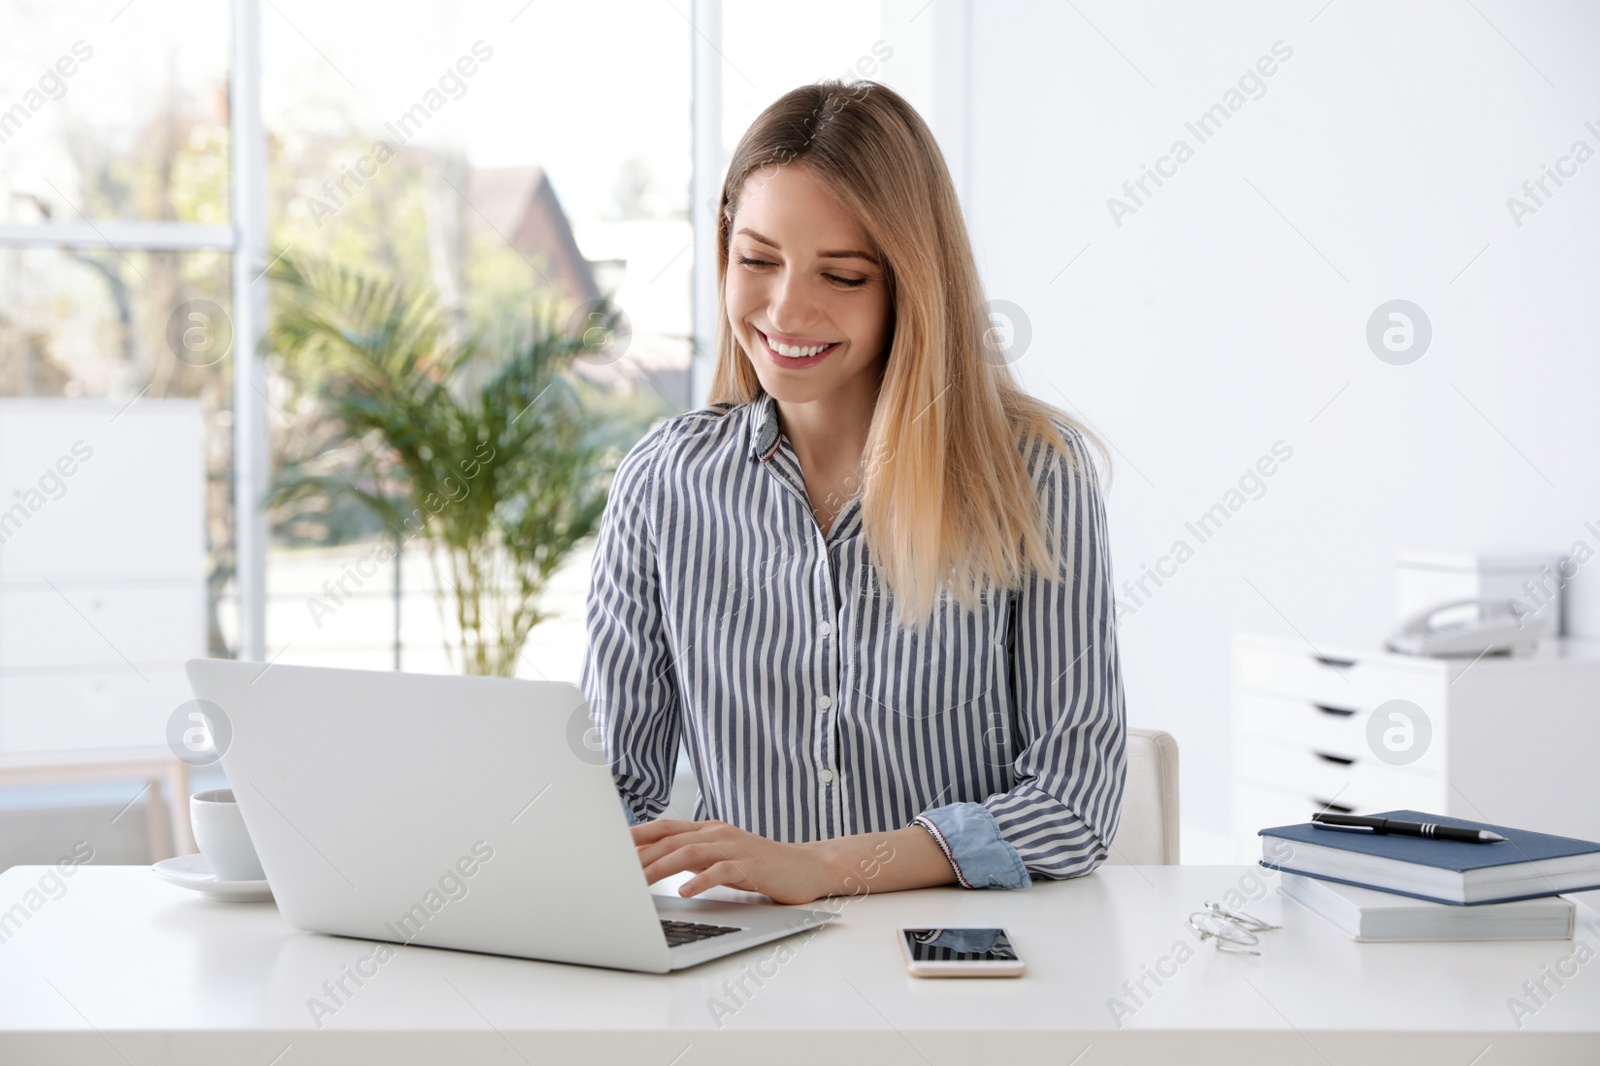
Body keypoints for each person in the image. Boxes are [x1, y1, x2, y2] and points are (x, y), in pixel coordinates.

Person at [580, 79, 1126, 907]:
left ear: (912, 284)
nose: (785, 310)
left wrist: (829, 869)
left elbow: (1073, 804)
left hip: (954, 973)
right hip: (745, 971)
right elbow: (614, 786)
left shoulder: (1035, 475)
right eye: (757, 260)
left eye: (841, 275)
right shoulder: (664, 481)